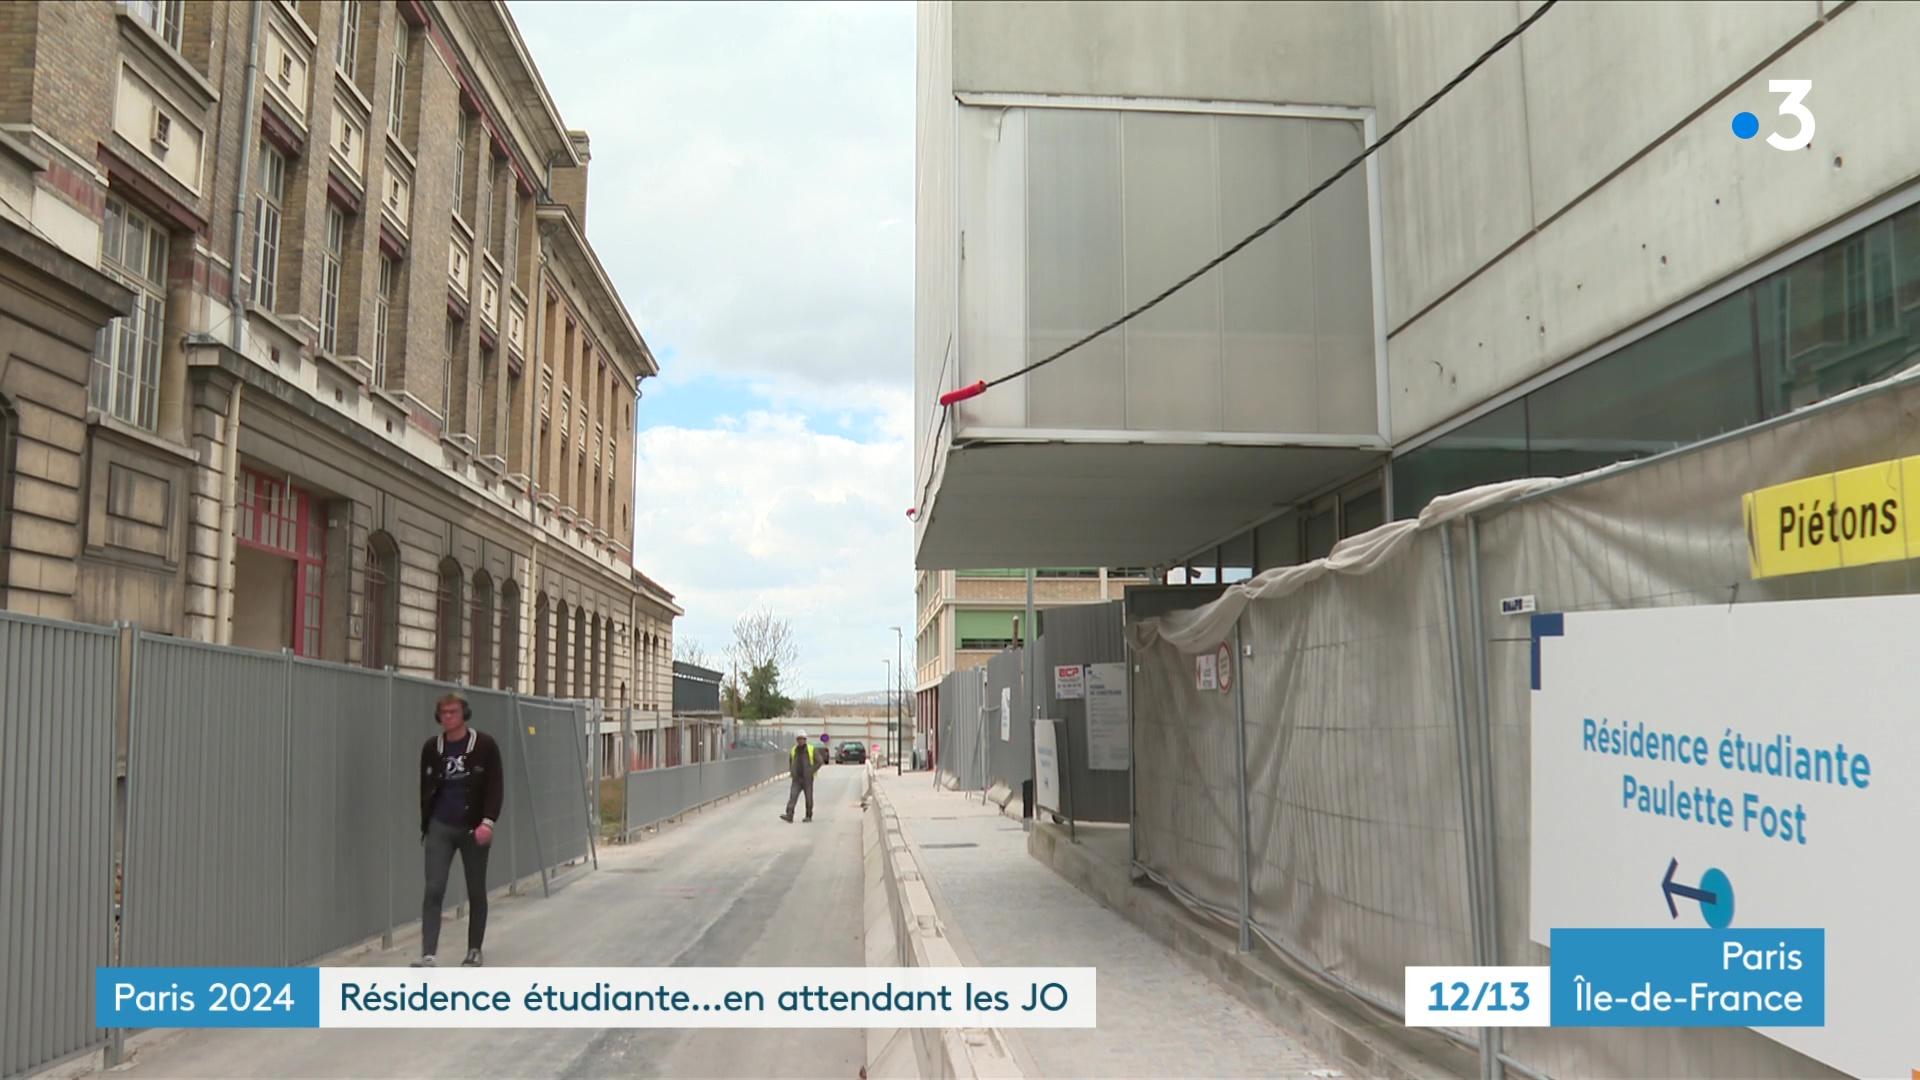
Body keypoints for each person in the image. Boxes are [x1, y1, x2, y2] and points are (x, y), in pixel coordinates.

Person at [413, 692, 504, 968]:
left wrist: (488, 821)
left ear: (464, 714)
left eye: (453, 712)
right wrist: (427, 823)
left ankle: (474, 949)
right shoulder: (432, 748)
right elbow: (425, 786)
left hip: (473, 827)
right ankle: (428, 953)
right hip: (440, 825)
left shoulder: (484, 745)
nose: (448, 717)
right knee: (434, 888)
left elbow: (495, 786)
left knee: (475, 889)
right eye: (443, 713)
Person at [782, 733, 819, 823]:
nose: (800, 741)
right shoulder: (794, 750)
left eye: (802, 739)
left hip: (807, 779)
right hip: (797, 779)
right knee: (793, 796)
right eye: (799, 739)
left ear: (805, 740)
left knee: (808, 798)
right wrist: (792, 771)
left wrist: (811, 771)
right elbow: (791, 761)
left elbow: (819, 761)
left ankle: (808, 815)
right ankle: (789, 815)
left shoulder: (811, 749)